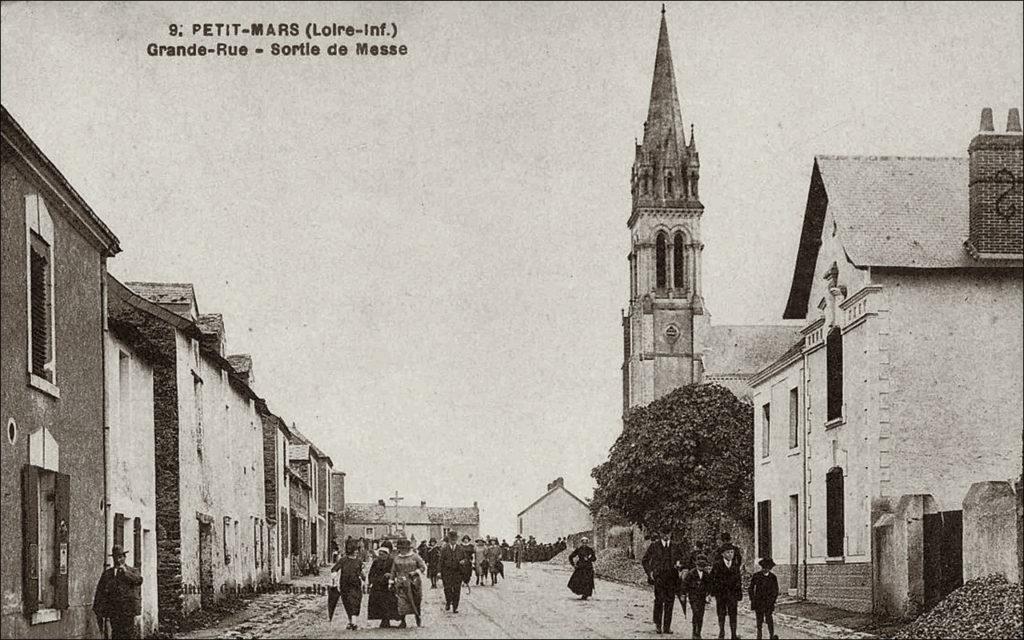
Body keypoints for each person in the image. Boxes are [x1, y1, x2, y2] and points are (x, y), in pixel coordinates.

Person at [642, 526, 686, 635]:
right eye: (664, 533)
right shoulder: (654, 546)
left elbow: (684, 559)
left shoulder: (676, 546)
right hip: (659, 578)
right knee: (659, 600)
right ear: (660, 534)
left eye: (668, 533)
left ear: (671, 534)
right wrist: (650, 572)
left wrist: (680, 565)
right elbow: (645, 560)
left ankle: (667, 627)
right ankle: (658, 625)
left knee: (670, 601)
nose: (666, 536)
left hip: (672, 578)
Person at [93, 545, 143, 639]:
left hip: (128, 611)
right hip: (114, 611)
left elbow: (139, 581)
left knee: (128, 635)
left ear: (124, 557)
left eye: (120, 557)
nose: (118, 560)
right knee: (116, 634)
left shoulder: (132, 571)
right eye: (116, 557)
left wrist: (126, 573)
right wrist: (99, 610)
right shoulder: (108, 574)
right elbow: (100, 591)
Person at [391, 537, 428, 628]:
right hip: (401, 582)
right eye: (400, 548)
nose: (402, 550)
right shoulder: (396, 558)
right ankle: (403, 621)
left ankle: (417, 617)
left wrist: (415, 572)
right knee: (401, 602)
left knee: (415, 601)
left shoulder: (415, 556)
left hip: (414, 583)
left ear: (408, 548)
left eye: (404, 548)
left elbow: (423, 567)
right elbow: (393, 570)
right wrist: (391, 581)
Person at [330, 540, 365, 630]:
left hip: (356, 585)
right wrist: (334, 575)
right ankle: (351, 622)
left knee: (355, 602)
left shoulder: (359, 561)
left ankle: (354, 623)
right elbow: (334, 569)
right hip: (345, 585)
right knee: (347, 603)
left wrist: (364, 577)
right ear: (351, 550)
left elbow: (361, 573)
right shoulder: (343, 560)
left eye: (357, 550)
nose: (357, 551)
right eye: (355, 550)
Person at [710, 545, 743, 640]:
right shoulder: (717, 565)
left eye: (732, 552)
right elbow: (712, 579)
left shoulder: (735, 565)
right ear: (722, 554)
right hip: (721, 594)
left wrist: (739, 593)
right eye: (728, 552)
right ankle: (721, 632)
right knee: (721, 613)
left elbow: (738, 580)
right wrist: (714, 592)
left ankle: (733, 634)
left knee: (733, 613)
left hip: (732, 594)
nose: (730, 554)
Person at [367, 545, 399, 628]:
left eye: (383, 554)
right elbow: (371, 573)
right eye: (380, 554)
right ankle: (384, 619)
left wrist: (391, 575)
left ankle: (389, 619)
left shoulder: (392, 561)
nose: (381, 556)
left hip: (389, 585)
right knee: (379, 603)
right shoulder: (376, 562)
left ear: (387, 554)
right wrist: (371, 582)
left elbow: (397, 571)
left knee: (389, 602)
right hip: (378, 585)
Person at [749, 557, 780, 640]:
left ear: (770, 568)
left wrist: (772, 600)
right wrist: (752, 599)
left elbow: (775, 590)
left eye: (767, 568)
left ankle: (771, 635)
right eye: (764, 567)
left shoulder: (773, 577)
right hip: (758, 601)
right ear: (761, 567)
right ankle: (759, 635)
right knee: (759, 619)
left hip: (768, 602)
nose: (765, 569)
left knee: (769, 618)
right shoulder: (756, 576)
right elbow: (751, 588)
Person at [684, 554, 713, 639]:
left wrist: (709, 594)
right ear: (696, 565)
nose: (701, 568)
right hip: (693, 597)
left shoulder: (706, 574)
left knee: (701, 614)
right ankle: (694, 632)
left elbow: (710, 585)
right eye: (699, 565)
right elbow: (685, 584)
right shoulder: (691, 573)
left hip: (702, 597)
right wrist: (684, 594)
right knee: (696, 612)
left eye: (703, 566)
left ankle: (698, 632)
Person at [439, 531, 468, 612]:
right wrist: (439, 572)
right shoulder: (444, 549)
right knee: (447, 589)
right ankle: (448, 602)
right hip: (447, 572)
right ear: (449, 540)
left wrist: (463, 561)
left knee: (456, 590)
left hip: (457, 572)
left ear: (457, 540)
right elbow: (440, 561)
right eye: (451, 540)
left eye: (454, 540)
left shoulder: (461, 549)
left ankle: (455, 607)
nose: (453, 541)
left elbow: (465, 559)